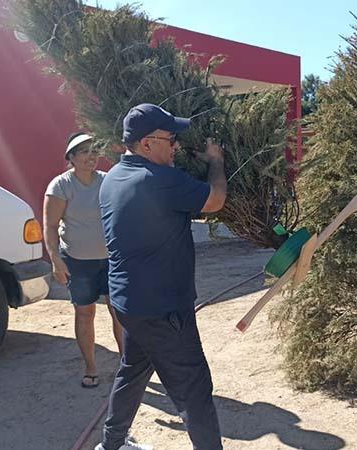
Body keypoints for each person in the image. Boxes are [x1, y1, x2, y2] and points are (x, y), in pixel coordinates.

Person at [96, 104, 227, 450]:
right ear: (147, 143)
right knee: (194, 393)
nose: (176, 147)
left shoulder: (112, 178)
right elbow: (215, 200)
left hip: (128, 303)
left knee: (133, 370)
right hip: (164, 311)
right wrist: (215, 160)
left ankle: (112, 444)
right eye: (171, 139)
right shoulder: (157, 179)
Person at [43, 132, 124, 389]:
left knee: (120, 312)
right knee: (85, 312)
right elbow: (50, 226)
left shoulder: (107, 181)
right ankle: (90, 366)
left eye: (94, 150)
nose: (92, 156)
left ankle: (127, 364)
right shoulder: (61, 186)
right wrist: (56, 260)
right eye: (84, 152)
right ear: (72, 158)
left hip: (111, 259)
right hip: (78, 261)